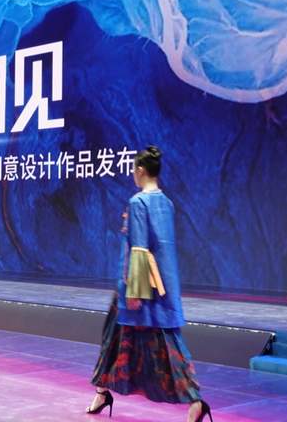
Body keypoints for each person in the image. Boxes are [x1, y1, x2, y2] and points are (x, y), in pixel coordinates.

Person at [86, 146, 212, 422]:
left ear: (141, 171)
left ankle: (195, 401)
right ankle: (102, 391)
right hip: (162, 286)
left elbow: (140, 250)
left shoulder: (138, 202)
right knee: (134, 340)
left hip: (138, 288)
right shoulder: (167, 203)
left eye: (134, 169)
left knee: (142, 343)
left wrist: (134, 295)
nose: (133, 174)